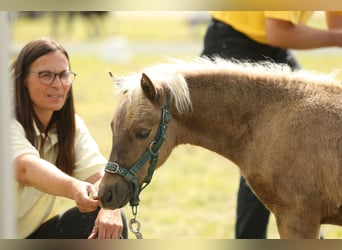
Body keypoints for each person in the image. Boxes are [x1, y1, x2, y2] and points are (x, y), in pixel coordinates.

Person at [200, 11, 342, 239]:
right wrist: (336, 38)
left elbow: (337, 28)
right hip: (234, 42)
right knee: (265, 156)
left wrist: (337, 37)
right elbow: (278, 32)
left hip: (272, 46)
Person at [10, 37, 128, 239]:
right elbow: (25, 168)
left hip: (32, 235)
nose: (58, 84)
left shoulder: (71, 126)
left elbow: (101, 177)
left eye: (64, 75)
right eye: (46, 75)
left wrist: (111, 207)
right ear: (23, 80)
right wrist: (75, 188)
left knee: (106, 218)